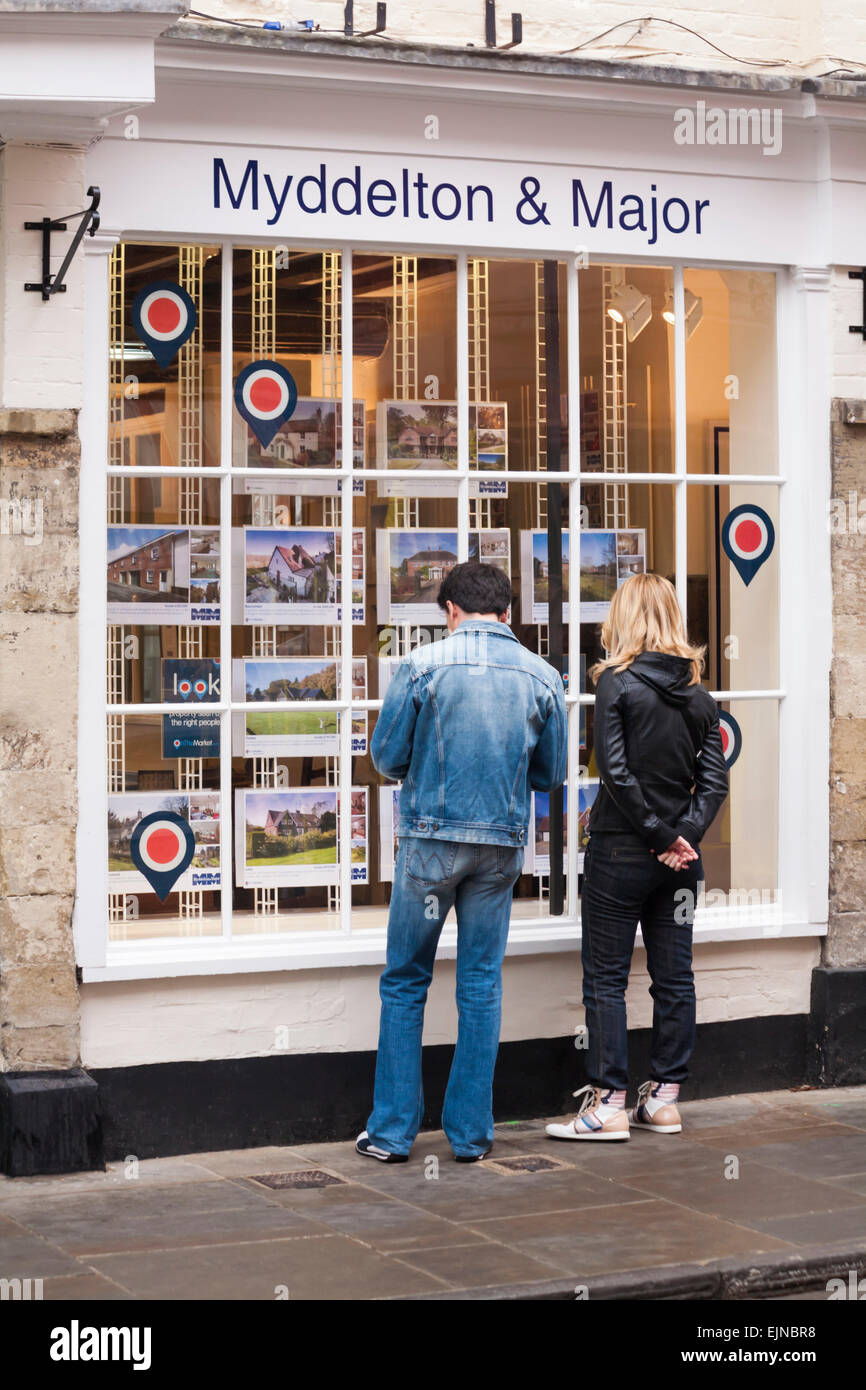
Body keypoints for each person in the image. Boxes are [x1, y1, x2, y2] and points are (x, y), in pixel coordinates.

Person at [358, 561, 567, 1163]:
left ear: (450, 610)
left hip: (430, 846)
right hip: (500, 847)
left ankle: (393, 1133)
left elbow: (388, 760)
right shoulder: (542, 675)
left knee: (405, 980)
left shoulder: (422, 667)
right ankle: (471, 1136)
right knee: (480, 982)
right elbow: (551, 775)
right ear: (507, 614)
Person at [546, 572, 728, 1144]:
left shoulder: (616, 685)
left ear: (625, 618)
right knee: (674, 977)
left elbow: (616, 774)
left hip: (624, 855)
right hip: (678, 864)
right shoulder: (701, 695)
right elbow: (714, 780)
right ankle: (667, 1100)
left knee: (605, 978)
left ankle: (608, 1107)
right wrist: (685, 838)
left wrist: (656, 836)